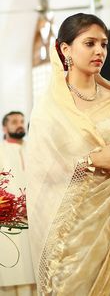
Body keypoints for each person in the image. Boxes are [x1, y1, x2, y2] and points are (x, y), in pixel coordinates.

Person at [26, 13, 110, 296]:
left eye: (104, 44)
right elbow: (40, 170)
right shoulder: (50, 108)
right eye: (90, 43)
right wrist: (91, 161)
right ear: (65, 49)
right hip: (75, 236)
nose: (100, 51)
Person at [0, 111, 36, 296]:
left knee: (34, 274)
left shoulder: (35, 150)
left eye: (22, 121)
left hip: (35, 221)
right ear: (5, 128)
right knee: (10, 273)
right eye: (14, 122)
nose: (20, 124)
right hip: (7, 224)